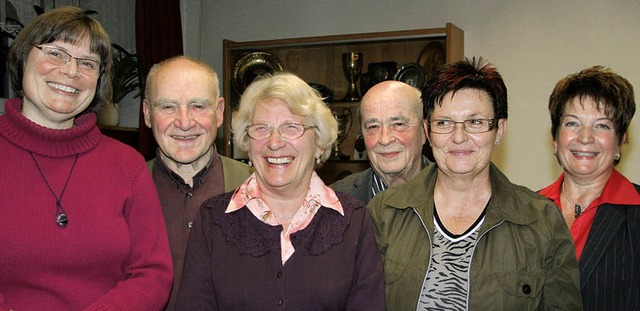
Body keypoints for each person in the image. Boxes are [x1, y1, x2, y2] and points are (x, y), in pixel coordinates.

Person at [367, 58, 582, 310]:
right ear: (427, 130)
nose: (459, 138)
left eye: (475, 122)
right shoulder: (384, 213)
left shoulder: (542, 221)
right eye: (444, 123)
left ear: (499, 130)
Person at [0, 6, 172, 310]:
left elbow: (153, 273)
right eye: (55, 53)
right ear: (24, 56)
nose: (70, 71)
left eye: (87, 63)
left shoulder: (126, 163)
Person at [175, 72, 385, 310]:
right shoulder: (212, 220)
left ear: (319, 143)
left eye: (291, 127)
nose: (274, 142)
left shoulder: (354, 221)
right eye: (261, 128)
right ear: (247, 143)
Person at [143, 56, 252, 310]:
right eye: (168, 106)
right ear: (148, 113)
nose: (184, 122)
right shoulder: (121, 190)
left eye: (198, 106)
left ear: (219, 112)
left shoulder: (256, 187)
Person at [539, 66, 639, 311]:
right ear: (555, 137)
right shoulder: (524, 211)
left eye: (602, 126)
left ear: (620, 140)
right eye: (572, 124)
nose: (585, 137)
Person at [330, 80, 430, 204]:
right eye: (373, 126)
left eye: (398, 124)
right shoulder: (335, 201)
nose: (385, 139)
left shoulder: (456, 192)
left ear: (424, 131)